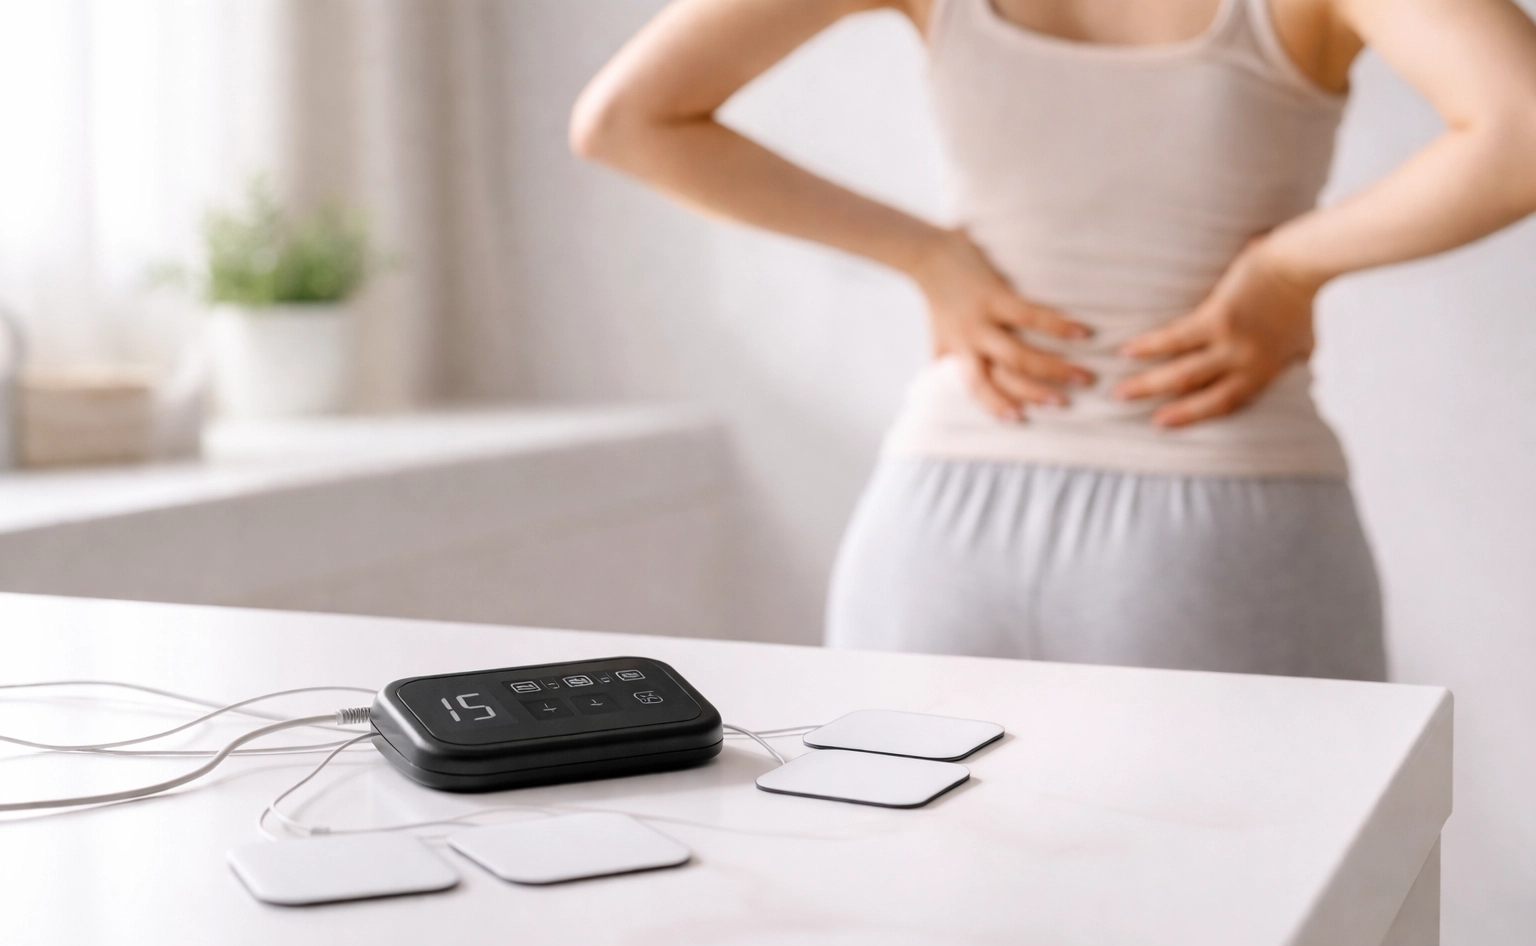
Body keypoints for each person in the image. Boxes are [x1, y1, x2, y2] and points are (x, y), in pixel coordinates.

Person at [570, 0, 1536, 680]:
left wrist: (927, 257)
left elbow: (624, 120)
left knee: (929, 939)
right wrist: (1288, 270)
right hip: (1220, 526)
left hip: (935, 530)